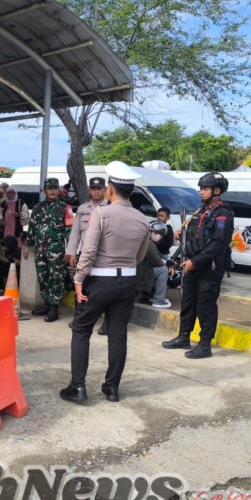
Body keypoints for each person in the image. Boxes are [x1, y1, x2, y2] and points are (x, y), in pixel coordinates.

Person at [62, 161, 150, 403]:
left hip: (100, 280)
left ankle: (77, 387)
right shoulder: (143, 219)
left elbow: (88, 252)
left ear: (110, 189)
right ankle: (112, 388)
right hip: (127, 282)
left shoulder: (100, 213)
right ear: (131, 191)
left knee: (81, 329)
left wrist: (79, 279)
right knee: (118, 334)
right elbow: (140, 256)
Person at [161, 172, 233, 359]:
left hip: (209, 267)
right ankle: (184, 336)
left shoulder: (223, 213)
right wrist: (180, 233)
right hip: (193, 264)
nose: (201, 192)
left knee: (205, 305)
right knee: (188, 302)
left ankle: (204, 345)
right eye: (200, 189)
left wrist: (195, 261)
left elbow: (218, 244)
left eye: (205, 189)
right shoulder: (201, 211)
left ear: (217, 191)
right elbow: (196, 235)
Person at [23, 178, 73, 323]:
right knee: (43, 278)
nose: (52, 191)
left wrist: (70, 251)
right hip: (40, 251)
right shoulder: (38, 208)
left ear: (58, 190)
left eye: (55, 188)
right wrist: (27, 245)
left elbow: (70, 231)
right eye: (49, 188)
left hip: (57, 251)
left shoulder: (65, 208)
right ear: (45, 190)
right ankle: (46, 304)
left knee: (56, 278)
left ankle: (54, 308)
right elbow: (32, 228)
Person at [65, 176, 108, 333]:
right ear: (89, 191)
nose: (96, 192)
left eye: (99, 189)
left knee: (104, 289)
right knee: (81, 284)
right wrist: (71, 253)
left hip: (103, 255)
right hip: (84, 253)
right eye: (94, 189)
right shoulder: (83, 209)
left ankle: (107, 323)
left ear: (105, 190)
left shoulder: (110, 208)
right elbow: (75, 233)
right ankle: (79, 318)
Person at [138, 220, 172, 308]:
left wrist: (170, 264)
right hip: (140, 272)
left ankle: (153, 296)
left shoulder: (149, 242)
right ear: (150, 231)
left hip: (141, 270)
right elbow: (158, 262)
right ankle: (159, 300)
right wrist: (166, 264)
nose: (159, 236)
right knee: (163, 270)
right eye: (156, 232)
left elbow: (162, 257)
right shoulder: (148, 243)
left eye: (161, 234)